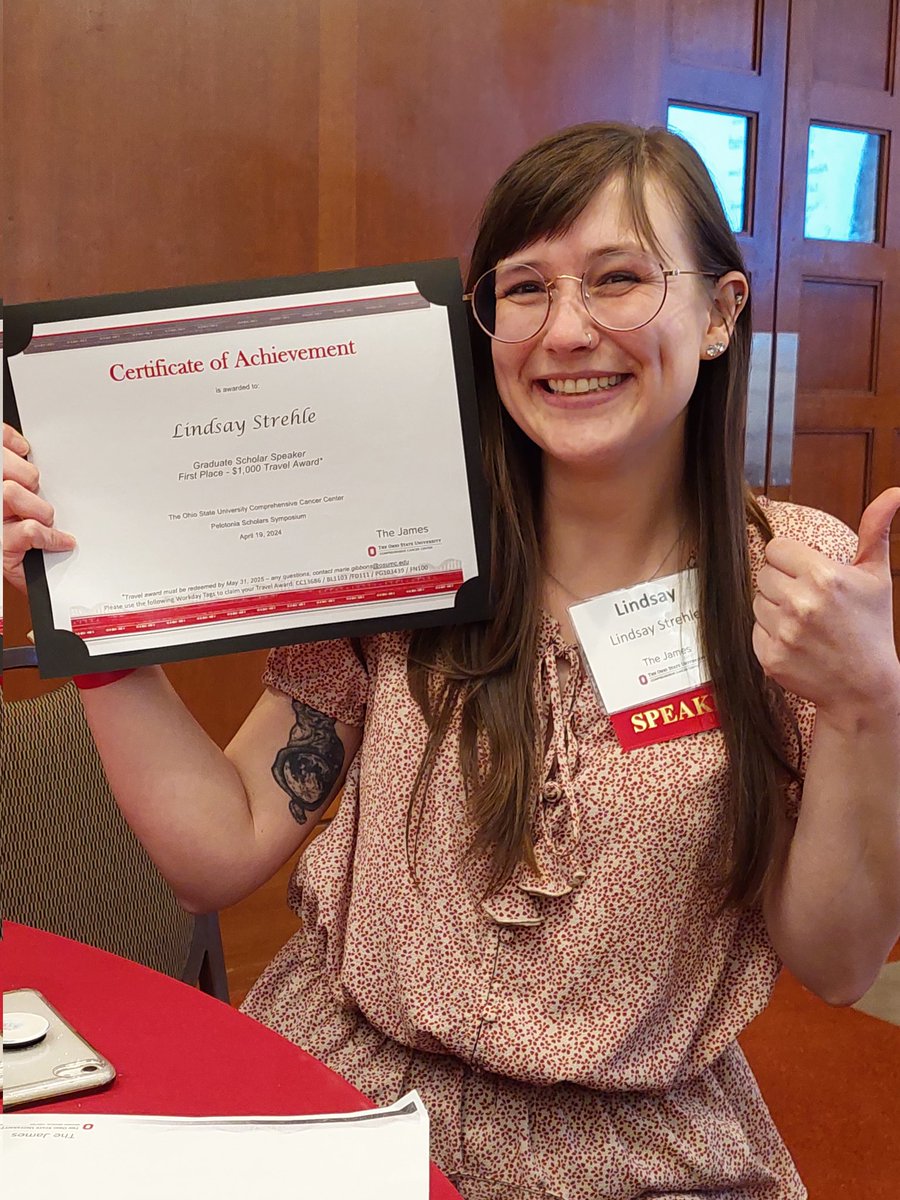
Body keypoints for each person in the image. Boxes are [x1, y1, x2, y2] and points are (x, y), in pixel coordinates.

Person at [4, 122, 900, 1200]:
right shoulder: (407, 546)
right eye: (524, 290)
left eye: (620, 278)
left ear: (719, 312)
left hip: (638, 1155)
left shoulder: (802, 583)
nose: (567, 330)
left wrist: (866, 707)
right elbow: (223, 842)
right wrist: (93, 619)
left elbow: (840, 965)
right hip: (348, 1103)